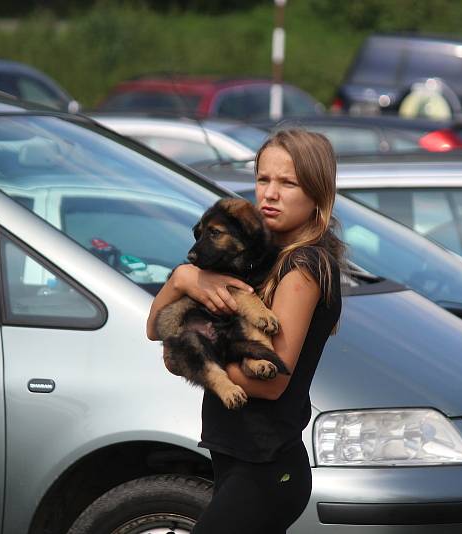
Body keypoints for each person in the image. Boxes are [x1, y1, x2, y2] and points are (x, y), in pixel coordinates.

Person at [146, 128, 344, 534]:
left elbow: (273, 381)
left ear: (317, 194)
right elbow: (153, 327)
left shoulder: (302, 267)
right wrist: (182, 280)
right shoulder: (255, 260)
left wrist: (191, 363)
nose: (270, 194)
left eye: (288, 183)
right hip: (237, 458)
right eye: (263, 179)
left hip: (267, 469)